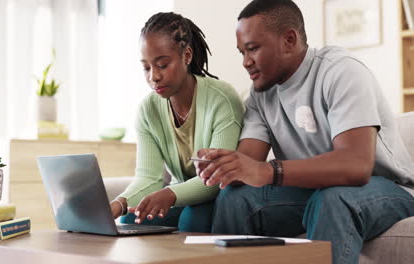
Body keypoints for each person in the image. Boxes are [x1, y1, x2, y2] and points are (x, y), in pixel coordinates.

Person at [194, 0, 414, 263]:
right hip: (311, 190)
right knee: (236, 198)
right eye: (241, 52)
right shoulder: (260, 95)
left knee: (334, 200)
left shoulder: (341, 71)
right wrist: (224, 166)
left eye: (252, 49)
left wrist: (268, 170)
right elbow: (248, 163)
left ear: (289, 39)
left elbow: (356, 166)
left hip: (386, 189)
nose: (245, 62)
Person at [109, 12, 244, 233]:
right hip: (181, 196)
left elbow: (216, 178)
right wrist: (120, 204)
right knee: (130, 222)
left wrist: (170, 194)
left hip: (221, 194)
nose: (154, 76)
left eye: (162, 65)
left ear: (187, 55)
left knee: (192, 220)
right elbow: (149, 177)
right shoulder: (148, 110)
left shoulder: (222, 100)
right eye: (146, 67)